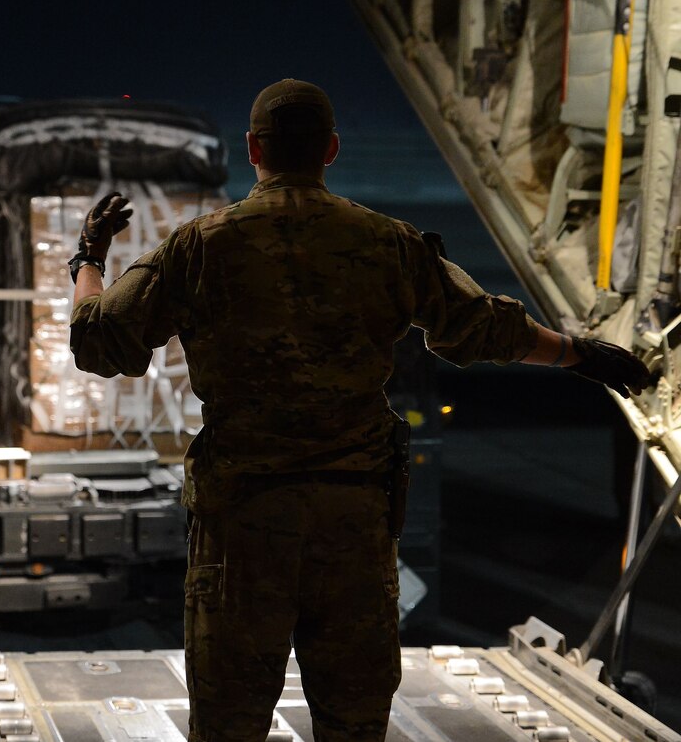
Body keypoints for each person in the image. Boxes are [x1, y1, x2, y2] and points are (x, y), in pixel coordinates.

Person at [68, 79, 652, 742]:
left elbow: (98, 339)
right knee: (354, 726)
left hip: (242, 531)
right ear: (333, 150)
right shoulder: (387, 243)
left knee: (227, 724)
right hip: (352, 528)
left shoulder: (200, 247)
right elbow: (482, 328)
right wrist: (581, 354)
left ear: (253, 149)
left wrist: (90, 258)